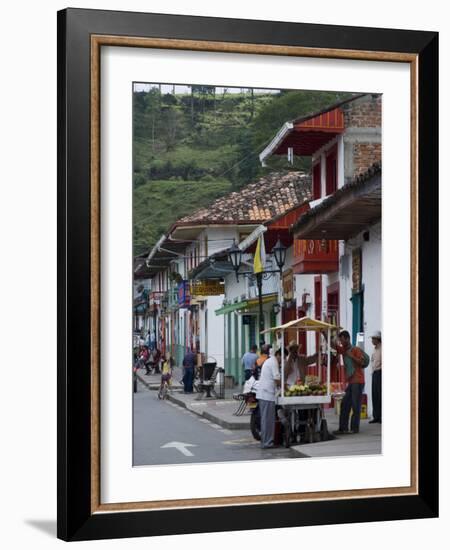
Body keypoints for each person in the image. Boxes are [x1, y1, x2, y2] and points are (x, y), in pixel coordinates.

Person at [332, 330, 368, 435]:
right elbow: (334, 346)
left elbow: (361, 362)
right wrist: (325, 334)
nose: (341, 342)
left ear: (347, 338)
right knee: (344, 404)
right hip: (351, 381)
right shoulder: (343, 350)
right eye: (340, 340)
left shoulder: (356, 350)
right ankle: (343, 428)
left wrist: (351, 356)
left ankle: (354, 428)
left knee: (355, 405)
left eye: (342, 340)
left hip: (358, 381)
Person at [256, 347, 281, 449]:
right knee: (268, 420)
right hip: (267, 395)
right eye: (282, 357)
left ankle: (266, 441)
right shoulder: (274, 361)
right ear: (279, 355)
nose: (282, 360)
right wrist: (283, 387)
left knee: (266, 420)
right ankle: (267, 443)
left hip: (265, 394)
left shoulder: (269, 361)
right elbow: (276, 378)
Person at [369, 330, 382, 424]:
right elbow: (372, 360)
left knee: (380, 395)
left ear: (377, 339)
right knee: (374, 395)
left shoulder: (382, 348)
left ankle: (381, 416)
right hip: (374, 373)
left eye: (373, 339)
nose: (372, 341)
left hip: (380, 373)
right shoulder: (374, 349)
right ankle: (376, 416)